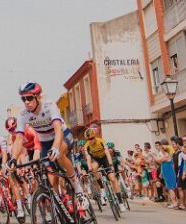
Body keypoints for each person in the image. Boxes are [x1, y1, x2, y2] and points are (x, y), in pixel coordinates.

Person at [12, 81, 85, 211]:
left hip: (62, 136)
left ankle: (78, 189)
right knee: (52, 178)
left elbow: (58, 130)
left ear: (38, 97)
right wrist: (13, 159)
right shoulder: (23, 114)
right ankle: (60, 209)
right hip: (45, 142)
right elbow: (18, 139)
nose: (26, 102)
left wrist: (56, 148)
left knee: (60, 155)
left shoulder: (49, 105)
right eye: (23, 99)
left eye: (29, 97)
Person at [83, 127, 125, 211]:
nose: (90, 140)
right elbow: (88, 158)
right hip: (96, 159)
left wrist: (110, 164)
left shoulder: (101, 141)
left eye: (92, 138)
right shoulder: (86, 146)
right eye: (88, 139)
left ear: (94, 136)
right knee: (93, 168)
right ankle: (102, 188)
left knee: (113, 179)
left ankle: (120, 202)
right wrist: (90, 169)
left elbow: (107, 153)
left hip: (105, 158)